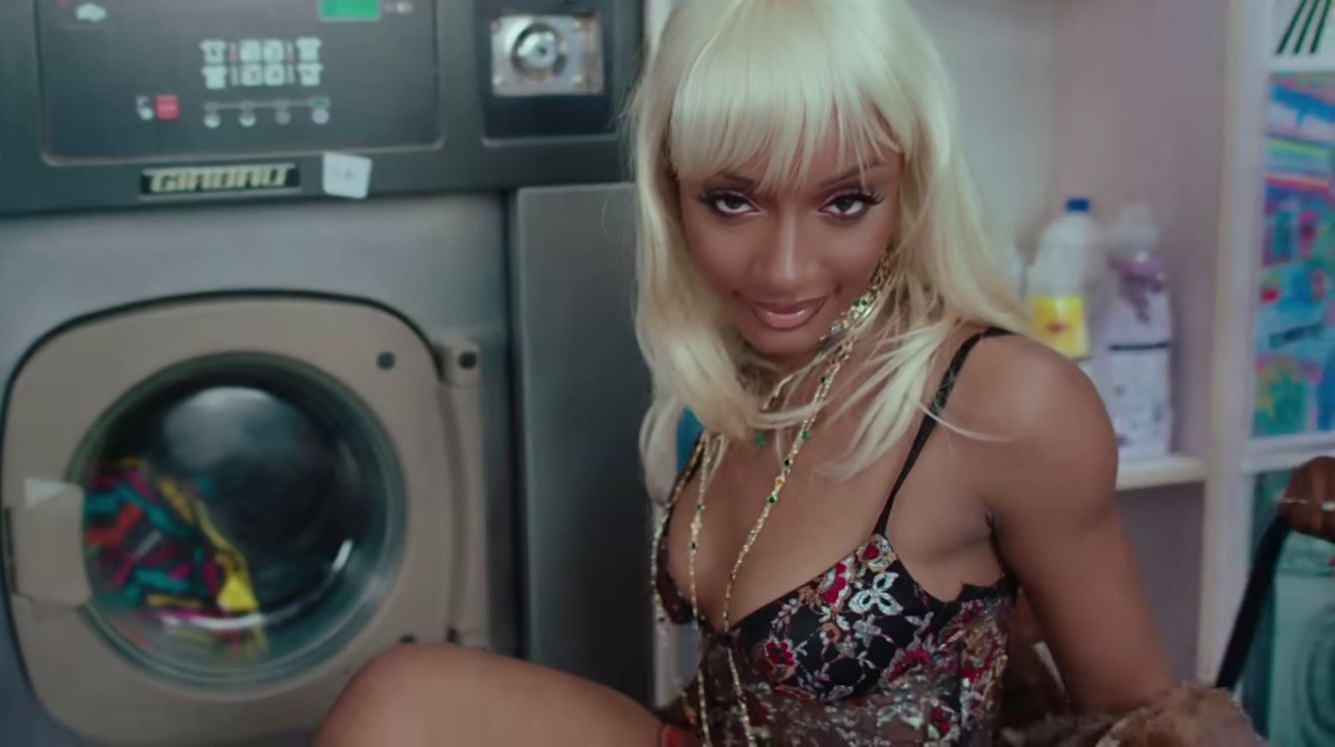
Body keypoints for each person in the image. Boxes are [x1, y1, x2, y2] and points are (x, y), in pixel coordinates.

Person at [317, 1, 1255, 744]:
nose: (785, 271)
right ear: (668, 188)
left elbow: (1146, 724)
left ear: (910, 188)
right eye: (732, 201)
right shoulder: (742, 369)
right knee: (404, 696)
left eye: (847, 201)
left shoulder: (1005, 404)